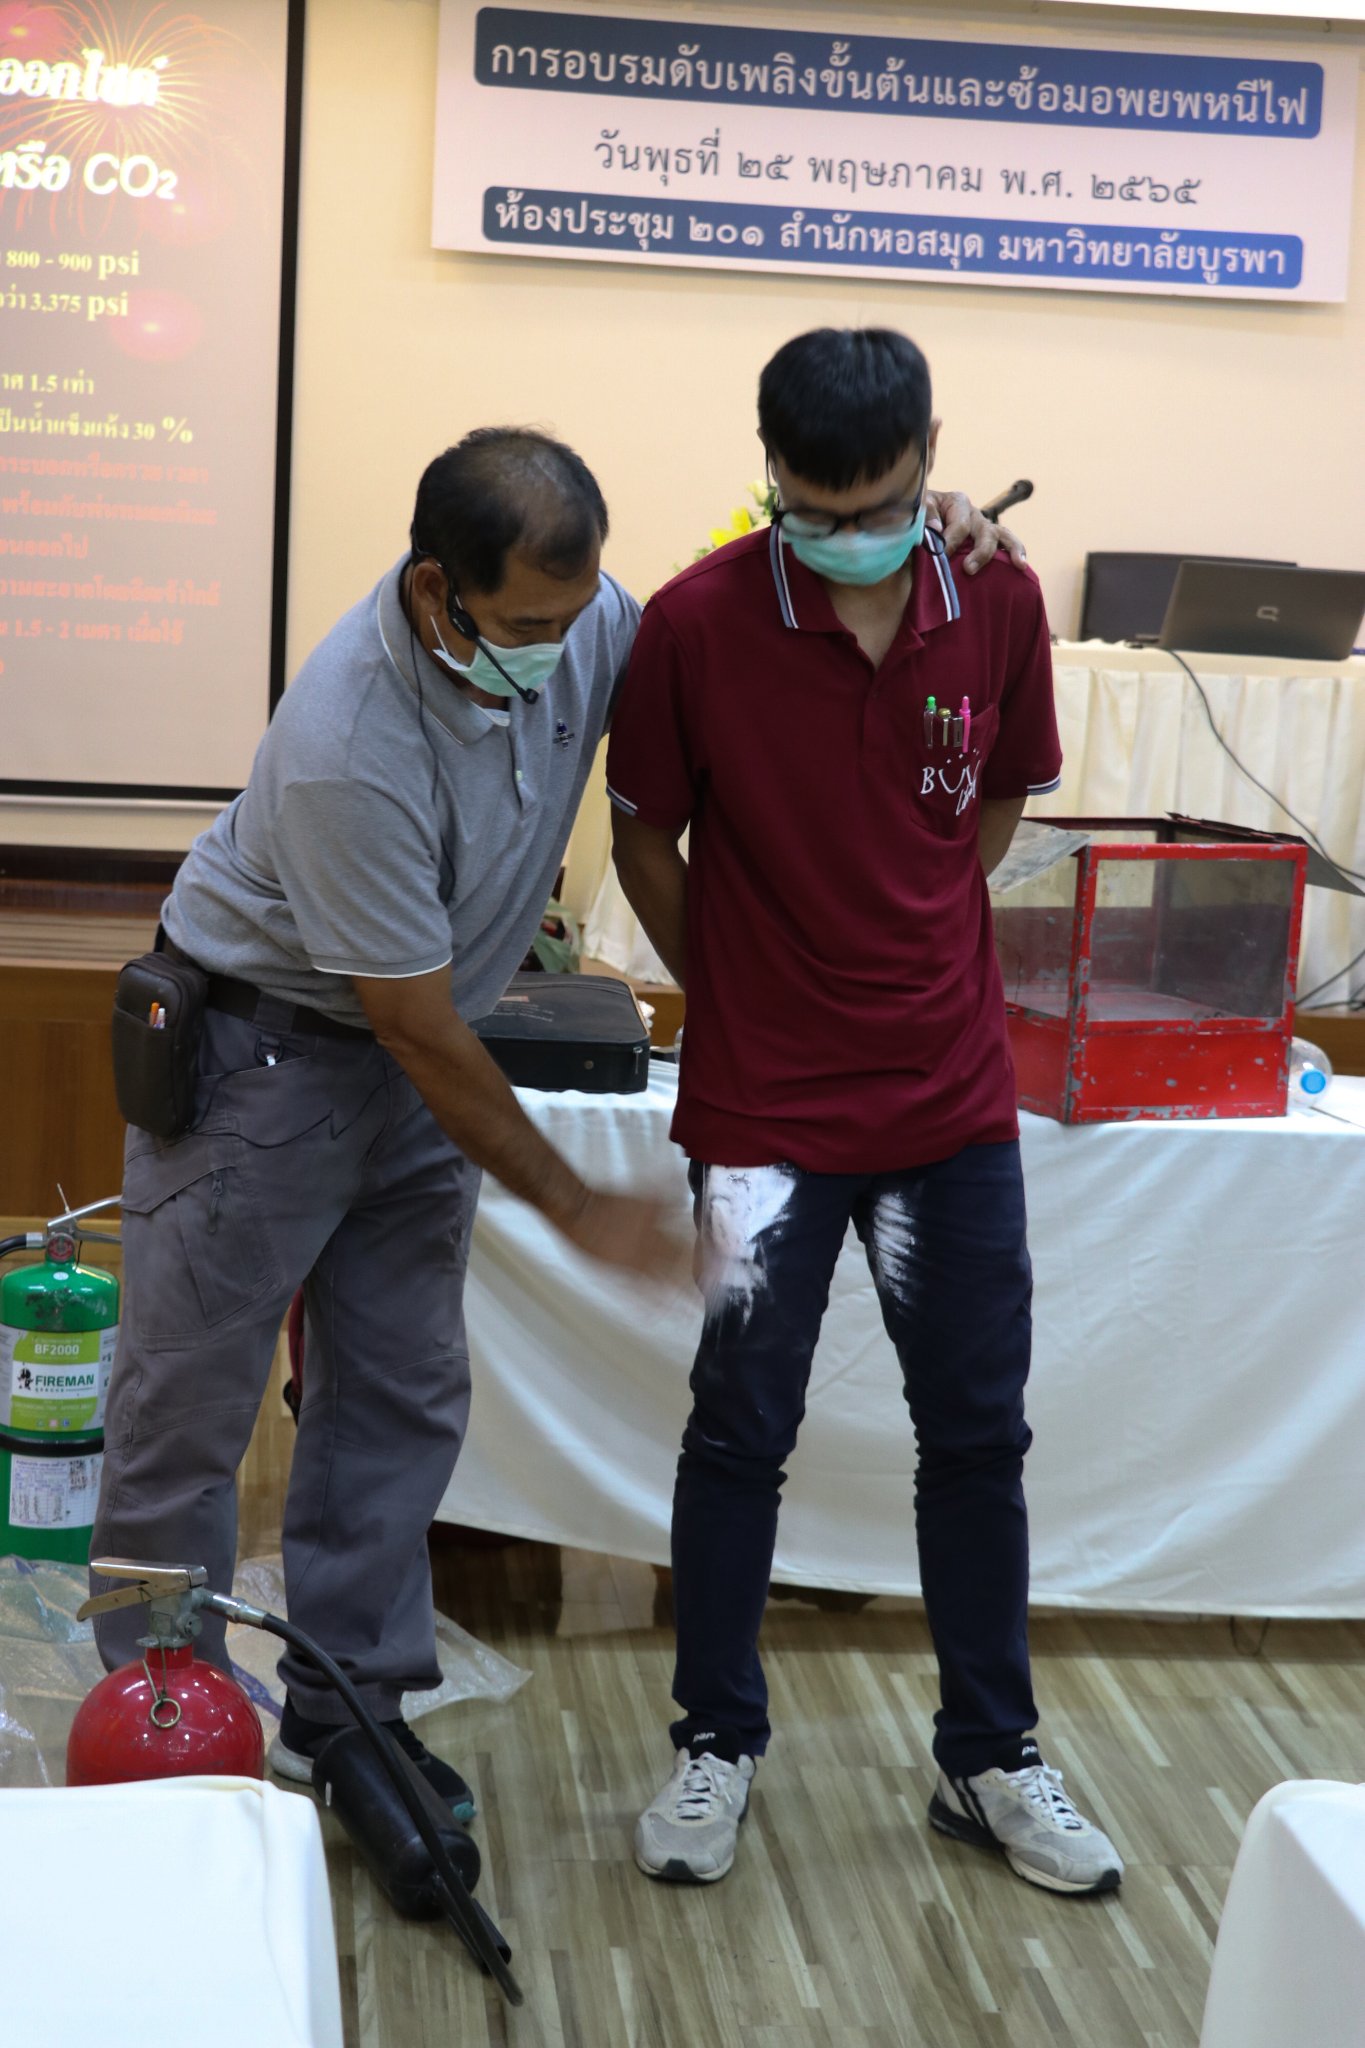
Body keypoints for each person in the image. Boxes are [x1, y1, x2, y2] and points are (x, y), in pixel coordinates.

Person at [92, 421, 1011, 1814]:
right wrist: (579, 1209)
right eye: (526, 625)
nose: (559, 649)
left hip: (416, 1062)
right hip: (257, 1062)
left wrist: (898, 535)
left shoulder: (586, 623)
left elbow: (732, 632)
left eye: (574, 617)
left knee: (397, 1394)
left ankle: (350, 1713)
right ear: (436, 590)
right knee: (186, 1410)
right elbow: (413, 1027)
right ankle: (164, 1727)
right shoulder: (349, 740)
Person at [608, 329, 1123, 1896]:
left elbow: (1000, 796)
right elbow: (641, 839)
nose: (849, 534)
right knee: (738, 1430)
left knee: (974, 1437)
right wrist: (741, 986)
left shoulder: (995, 600)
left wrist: (907, 927)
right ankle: (714, 1742)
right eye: (815, 509)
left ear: (931, 459)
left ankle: (989, 1758)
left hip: (947, 1105)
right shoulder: (696, 622)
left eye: (882, 506)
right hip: (763, 1110)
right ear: (766, 468)